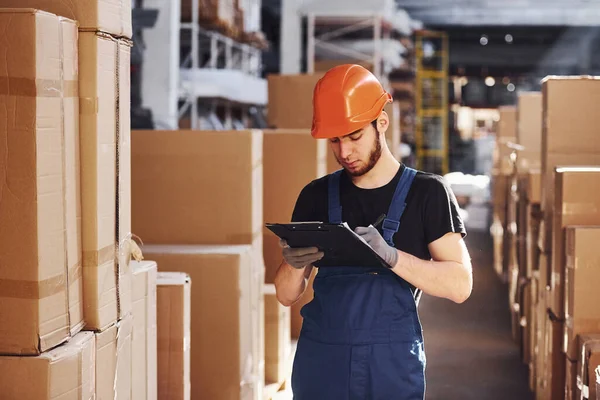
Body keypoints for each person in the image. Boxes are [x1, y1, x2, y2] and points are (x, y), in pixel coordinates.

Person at [273, 64, 473, 400]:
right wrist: (293, 262)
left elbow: (460, 284)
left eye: (354, 137)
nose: (344, 152)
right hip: (322, 363)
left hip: (389, 367)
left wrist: (393, 257)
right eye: (335, 141)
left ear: (382, 123)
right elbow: (285, 295)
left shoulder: (428, 193)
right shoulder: (316, 195)